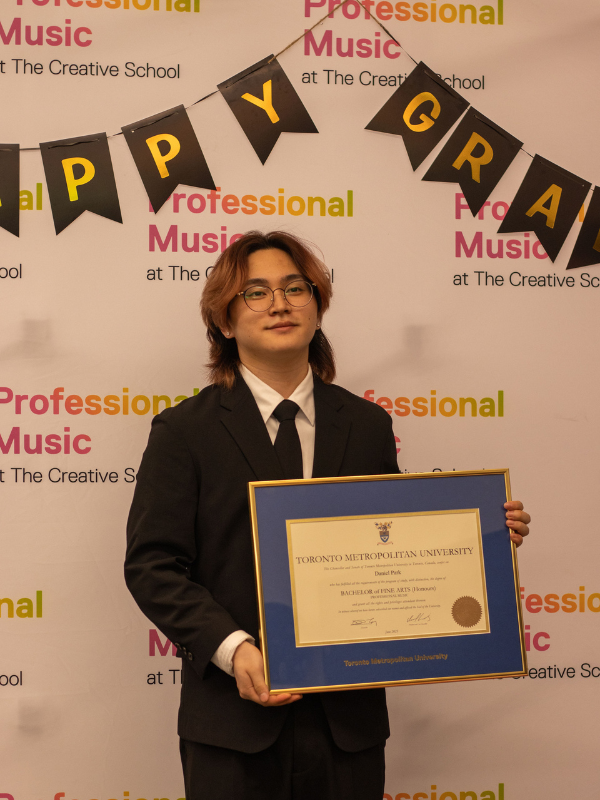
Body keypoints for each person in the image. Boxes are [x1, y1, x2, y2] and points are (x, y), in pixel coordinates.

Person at [125, 230, 530, 800]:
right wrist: (234, 648)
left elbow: (393, 547)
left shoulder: (366, 425)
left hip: (349, 727)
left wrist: (479, 538)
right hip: (233, 727)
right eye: (256, 293)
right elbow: (152, 566)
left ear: (318, 304)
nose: (280, 303)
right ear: (223, 320)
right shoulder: (183, 432)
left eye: (296, 287)